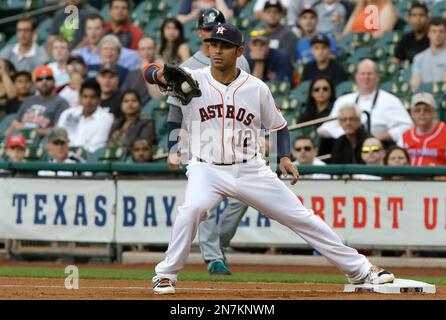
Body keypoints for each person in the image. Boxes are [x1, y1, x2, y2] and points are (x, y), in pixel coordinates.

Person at [143, 22, 395, 295]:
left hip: (250, 169)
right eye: (213, 44)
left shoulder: (256, 88)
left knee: (303, 218)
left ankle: (361, 270)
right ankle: (165, 275)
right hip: (207, 169)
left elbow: (278, 126)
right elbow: (148, 72)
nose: (217, 51)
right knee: (190, 211)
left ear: (239, 51)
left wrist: (284, 157)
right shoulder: (193, 79)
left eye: (225, 46)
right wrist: (158, 74)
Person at [165, 8, 251, 275]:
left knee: (244, 198)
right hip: (199, 144)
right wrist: (172, 148)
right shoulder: (188, 67)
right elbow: (174, 113)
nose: (211, 32)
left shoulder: (242, 62)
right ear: (199, 32)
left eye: (217, 26)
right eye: (206, 29)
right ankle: (214, 257)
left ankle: (218, 244)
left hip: (236, 144)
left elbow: (250, 103)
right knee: (205, 205)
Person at [317, 59, 413, 145]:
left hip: (378, 148)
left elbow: (407, 127)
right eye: (362, 74)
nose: (366, 77)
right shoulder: (343, 100)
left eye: (370, 74)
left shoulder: (391, 101)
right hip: (345, 148)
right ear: (356, 77)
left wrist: (380, 136)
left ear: (377, 77)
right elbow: (327, 127)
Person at [5, 65, 69, 137]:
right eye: (40, 79)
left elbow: (59, 130)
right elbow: (15, 123)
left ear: (54, 81)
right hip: (20, 139)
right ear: (35, 83)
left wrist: (31, 131)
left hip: (42, 142)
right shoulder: (29, 100)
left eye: (48, 78)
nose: (44, 82)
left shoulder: (61, 103)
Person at [57, 79, 114, 154]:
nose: (88, 101)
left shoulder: (106, 118)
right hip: (62, 158)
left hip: (87, 162)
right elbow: (58, 139)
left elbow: (95, 148)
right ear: (79, 98)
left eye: (92, 97)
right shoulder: (68, 114)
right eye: (85, 96)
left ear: (99, 99)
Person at [72, 14, 141, 71]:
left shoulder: (122, 53)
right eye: (89, 29)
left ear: (104, 30)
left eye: (96, 28)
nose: (93, 33)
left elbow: (136, 57)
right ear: (85, 31)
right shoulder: (76, 54)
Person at [398, 92, 446, 166]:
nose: (422, 113)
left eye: (426, 110)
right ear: (412, 114)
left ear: (434, 112)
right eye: (417, 110)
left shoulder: (444, 132)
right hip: (410, 176)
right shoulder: (405, 136)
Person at [122, 37, 164, 105]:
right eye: (142, 49)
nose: (146, 52)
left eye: (149, 48)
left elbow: (158, 97)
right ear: (138, 52)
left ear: (155, 50)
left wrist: (146, 71)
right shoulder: (132, 73)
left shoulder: (162, 68)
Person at [410, 17, 446, 92]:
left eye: (441, 32)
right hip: (425, 97)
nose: (437, 35)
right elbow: (415, 83)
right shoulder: (419, 58)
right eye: (434, 31)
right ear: (428, 34)